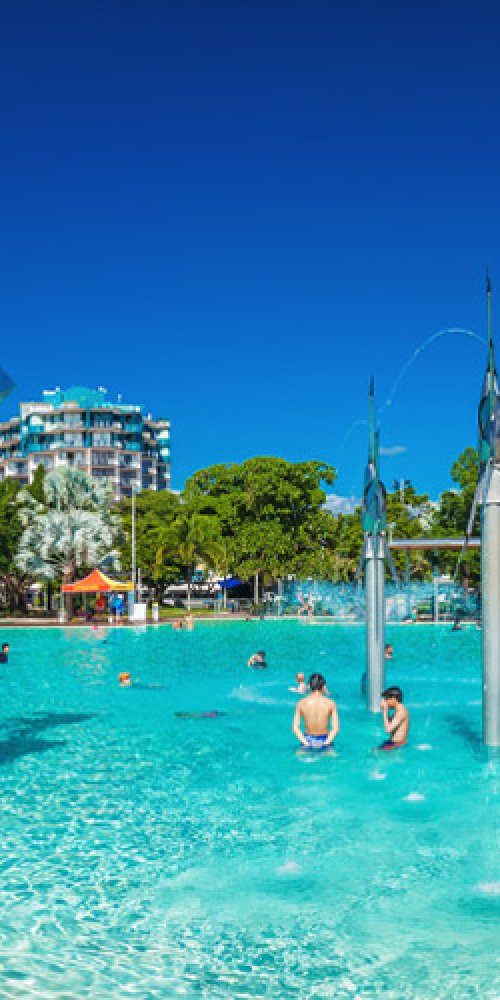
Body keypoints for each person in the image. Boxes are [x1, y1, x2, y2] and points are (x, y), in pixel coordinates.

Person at [292, 673, 339, 750]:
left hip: (307, 740)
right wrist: (325, 744)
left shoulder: (301, 703)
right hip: (325, 740)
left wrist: (306, 743)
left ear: (309, 686)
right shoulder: (331, 703)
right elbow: (335, 729)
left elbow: (295, 728)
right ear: (323, 687)